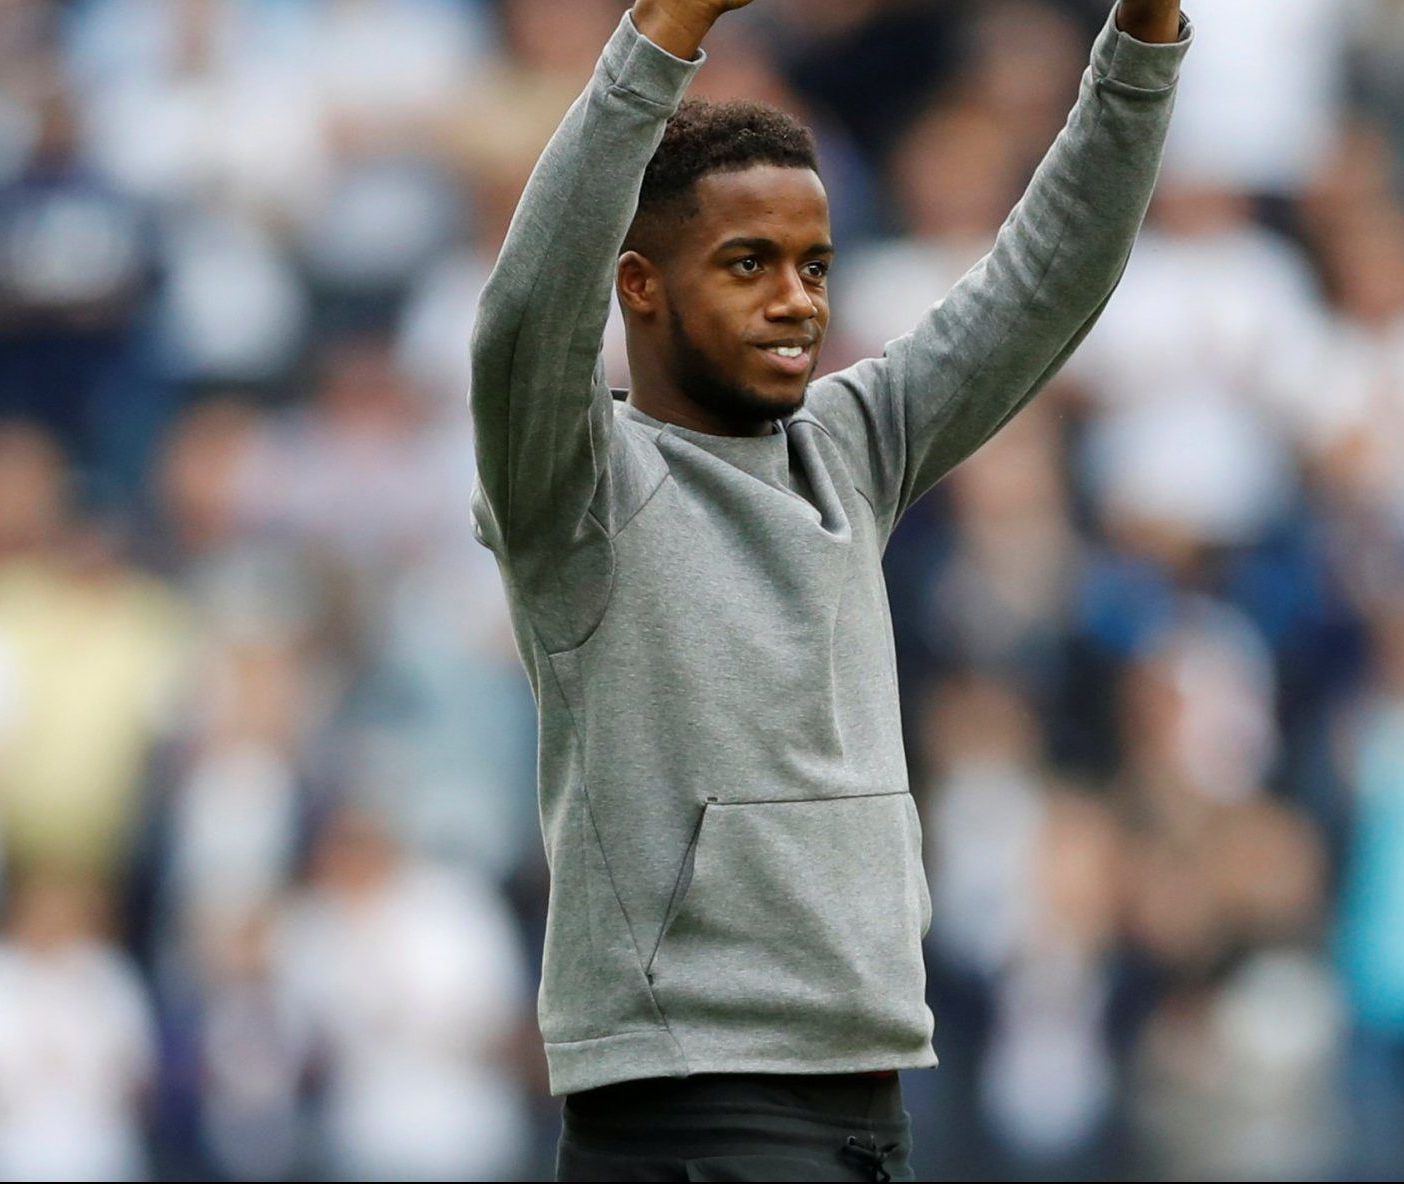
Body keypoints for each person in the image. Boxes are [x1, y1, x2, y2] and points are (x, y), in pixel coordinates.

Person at [466, 0, 1192, 1178]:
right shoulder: (574, 485)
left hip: (861, 1094)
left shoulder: (850, 442)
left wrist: (1143, 40)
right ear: (638, 285)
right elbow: (526, 317)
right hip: (696, 1104)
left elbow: (1050, 273)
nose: (797, 299)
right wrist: (659, 38)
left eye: (814, 265)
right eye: (746, 263)